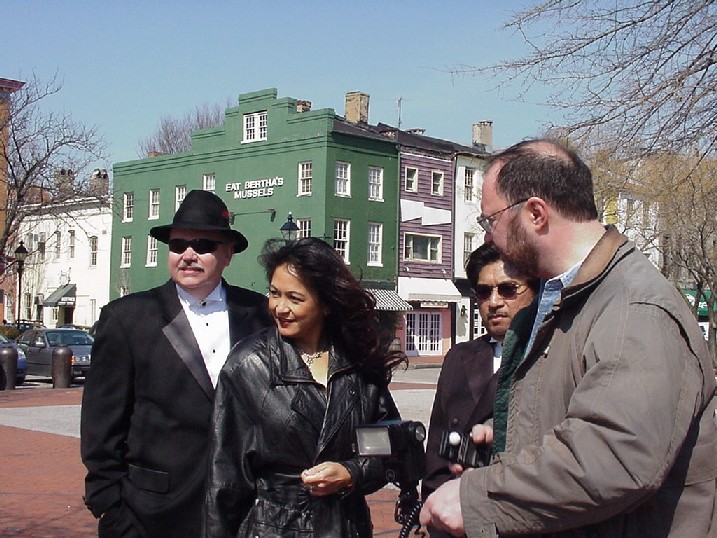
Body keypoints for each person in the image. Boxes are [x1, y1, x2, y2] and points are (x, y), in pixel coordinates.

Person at [420, 139, 717, 537]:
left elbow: (615, 456)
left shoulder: (634, 307)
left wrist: (477, 498)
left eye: (491, 221)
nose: (488, 239)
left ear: (535, 213)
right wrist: (507, 437)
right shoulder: (563, 299)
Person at [81, 190, 272, 537]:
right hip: (150, 515)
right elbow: (100, 428)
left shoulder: (260, 314)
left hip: (244, 512)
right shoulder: (127, 318)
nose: (188, 255)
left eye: (203, 245)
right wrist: (111, 510)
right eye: (178, 245)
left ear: (228, 253)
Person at [204, 237, 406, 537]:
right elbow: (224, 480)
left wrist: (351, 472)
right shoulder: (248, 366)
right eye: (274, 293)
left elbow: (392, 447)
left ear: (326, 304)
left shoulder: (357, 362)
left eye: (295, 298)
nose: (280, 308)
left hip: (346, 526)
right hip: (274, 528)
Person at [421, 243, 537, 537]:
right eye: (484, 292)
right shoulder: (459, 357)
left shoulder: (544, 355)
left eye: (508, 289)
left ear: (535, 291)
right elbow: (436, 449)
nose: (494, 302)